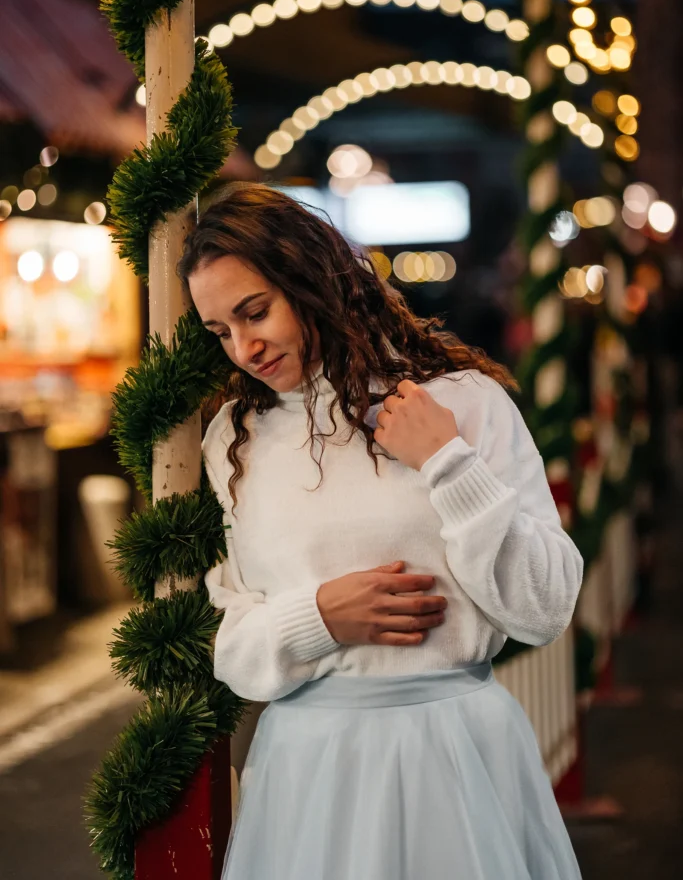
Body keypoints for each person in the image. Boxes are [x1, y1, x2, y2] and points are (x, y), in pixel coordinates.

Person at [179, 181, 584, 880]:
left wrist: (447, 463)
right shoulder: (233, 440)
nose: (244, 348)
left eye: (255, 312)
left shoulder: (460, 402)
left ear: (311, 282)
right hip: (309, 766)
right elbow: (235, 649)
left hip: (455, 752)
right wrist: (319, 618)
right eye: (221, 332)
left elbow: (544, 608)